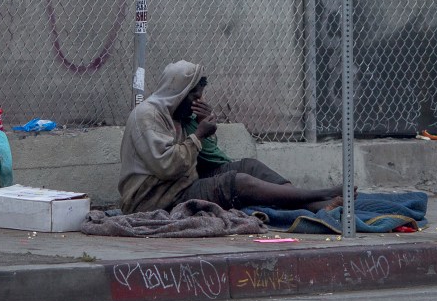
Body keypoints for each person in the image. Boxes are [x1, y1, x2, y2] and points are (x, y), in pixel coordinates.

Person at [119, 60, 346, 214]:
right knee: (238, 183)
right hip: (155, 200)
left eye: (201, 95)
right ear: (178, 94)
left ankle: (315, 205)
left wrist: (201, 129)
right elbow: (167, 165)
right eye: (193, 96)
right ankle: (321, 194)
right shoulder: (147, 115)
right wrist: (198, 135)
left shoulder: (180, 115)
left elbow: (209, 159)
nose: (198, 102)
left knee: (249, 166)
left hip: (183, 183)